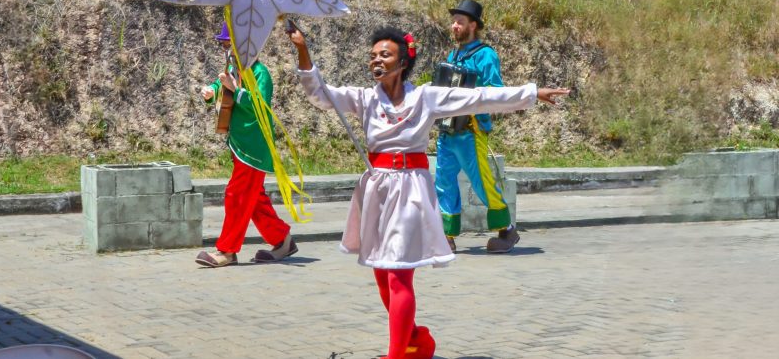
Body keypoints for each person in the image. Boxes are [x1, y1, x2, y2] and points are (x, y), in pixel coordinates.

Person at [288, 25, 568, 359]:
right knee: (382, 276)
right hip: (377, 190)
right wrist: (302, 49)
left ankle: (397, 355)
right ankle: (416, 341)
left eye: (385, 54)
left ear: (402, 61)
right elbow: (320, 94)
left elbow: (479, 98)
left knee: (399, 277)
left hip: (410, 191)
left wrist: (532, 92)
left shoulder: (425, 97)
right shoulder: (363, 98)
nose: (377, 60)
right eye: (373, 55)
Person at [194, 22, 297, 267]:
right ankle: (282, 240)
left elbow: (260, 105)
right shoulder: (234, 69)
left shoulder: (260, 73)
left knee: (237, 195)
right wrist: (212, 90)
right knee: (254, 199)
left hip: (254, 148)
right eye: (224, 44)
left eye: (228, 43)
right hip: (239, 144)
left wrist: (235, 90)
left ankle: (227, 250)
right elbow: (224, 87)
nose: (225, 47)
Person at [435, 0, 526, 254]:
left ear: (473, 25)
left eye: (459, 22)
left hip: (471, 131)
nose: (454, 26)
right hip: (447, 131)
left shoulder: (486, 55)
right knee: (443, 182)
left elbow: (496, 91)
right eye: (453, 21)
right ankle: (447, 235)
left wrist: (470, 93)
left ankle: (506, 229)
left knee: (482, 182)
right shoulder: (453, 55)